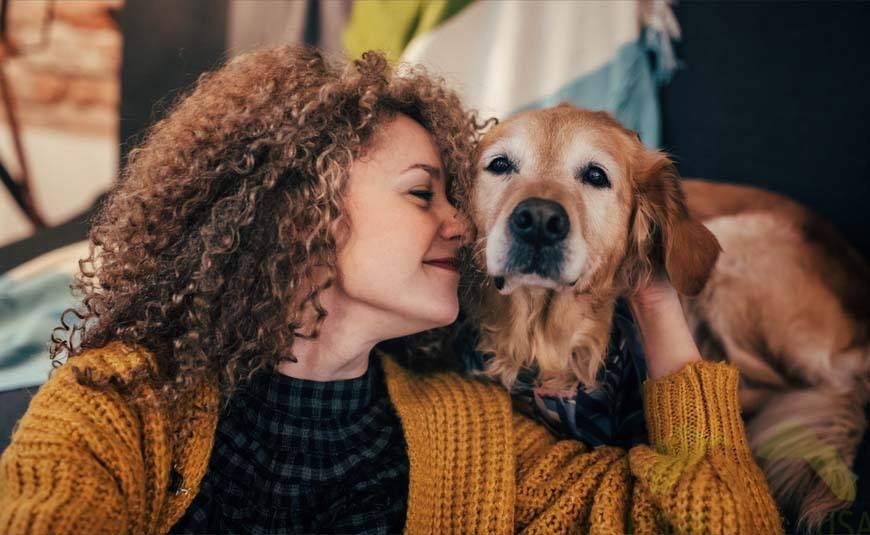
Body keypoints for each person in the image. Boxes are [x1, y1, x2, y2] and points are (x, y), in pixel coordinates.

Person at [0, 45, 782, 534]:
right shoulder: (121, 401)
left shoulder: (477, 436)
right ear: (301, 214)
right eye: (423, 194)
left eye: (454, 192)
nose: (464, 224)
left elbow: (718, 520)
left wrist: (652, 295)